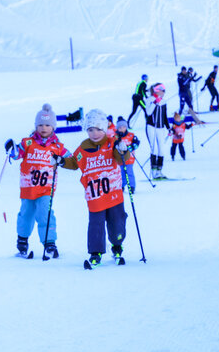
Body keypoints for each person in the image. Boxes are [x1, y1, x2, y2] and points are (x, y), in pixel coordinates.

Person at [54, 109, 130, 269]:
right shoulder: (84, 148)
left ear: (104, 129)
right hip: (94, 195)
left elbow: (122, 157)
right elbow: (75, 162)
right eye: (90, 130)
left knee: (116, 222)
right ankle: (95, 252)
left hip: (114, 193)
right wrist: (61, 161)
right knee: (96, 224)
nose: (94, 133)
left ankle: (117, 246)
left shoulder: (111, 142)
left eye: (98, 129)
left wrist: (123, 149)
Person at [11, 103, 71, 259]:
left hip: (46, 189)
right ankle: (22, 240)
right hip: (28, 188)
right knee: (26, 214)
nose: (44, 128)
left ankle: (49, 242)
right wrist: (11, 149)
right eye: (40, 125)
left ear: (53, 127)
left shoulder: (57, 146)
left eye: (47, 125)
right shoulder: (28, 143)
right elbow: (17, 153)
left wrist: (62, 160)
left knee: (45, 213)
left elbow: (70, 160)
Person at [145, 82, 171, 179]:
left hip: (160, 127)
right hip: (151, 127)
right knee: (154, 149)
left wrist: (169, 128)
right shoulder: (150, 100)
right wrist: (155, 102)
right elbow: (148, 112)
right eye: (162, 90)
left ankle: (159, 171)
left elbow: (164, 116)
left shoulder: (163, 102)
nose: (164, 92)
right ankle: (153, 172)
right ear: (158, 90)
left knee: (161, 150)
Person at [115, 116, 139, 194]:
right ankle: (121, 185)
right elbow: (113, 145)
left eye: (124, 127)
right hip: (120, 158)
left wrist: (132, 147)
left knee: (129, 172)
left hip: (129, 158)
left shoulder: (131, 135)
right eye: (120, 127)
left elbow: (137, 143)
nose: (122, 129)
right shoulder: (116, 137)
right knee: (121, 173)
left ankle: (132, 186)